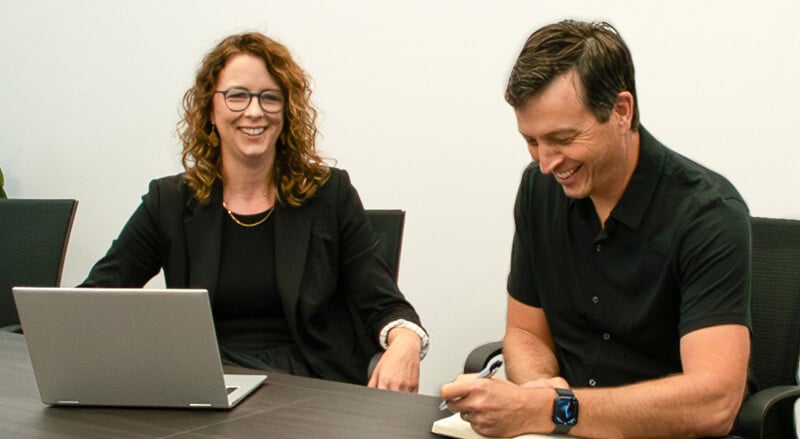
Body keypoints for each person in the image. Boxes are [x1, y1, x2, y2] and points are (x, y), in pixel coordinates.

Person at [440, 20, 751, 438]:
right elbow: (525, 333)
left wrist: (554, 409)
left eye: (563, 138)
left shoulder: (708, 215)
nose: (547, 162)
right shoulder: (538, 189)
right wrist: (536, 389)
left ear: (621, 111)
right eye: (531, 141)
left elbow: (714, 403)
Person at [81, 32, 428, 393]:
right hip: (209, 385)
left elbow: (383, 301)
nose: (254, 111)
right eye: (237, 96)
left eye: (270, 98)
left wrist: (406, 341)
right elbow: (96, 298)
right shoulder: (168, 202)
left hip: (308, 388)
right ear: (210, 110)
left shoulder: (329, 194)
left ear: (287, 111)